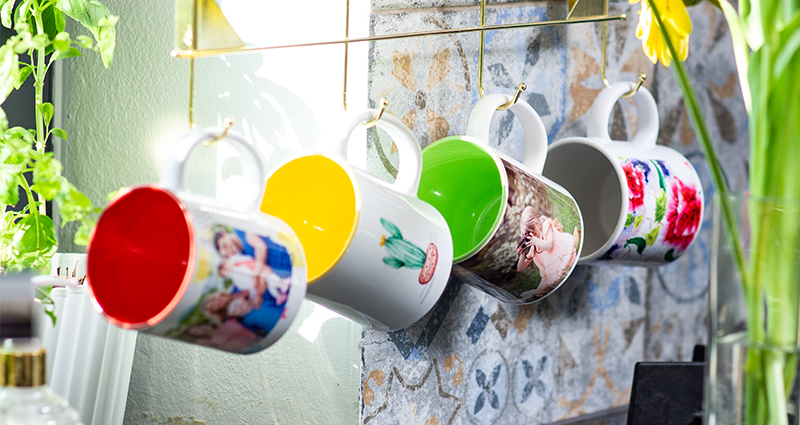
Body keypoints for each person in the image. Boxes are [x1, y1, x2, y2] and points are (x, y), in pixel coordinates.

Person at [212, 228, 294, 336]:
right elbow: (250, 283)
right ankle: (280, 293)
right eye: (226, 254)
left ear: (224, 234)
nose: (228, 251)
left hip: (287, 259)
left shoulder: (243, 233)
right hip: (281, 272)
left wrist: (256, 276)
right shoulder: (239, 256)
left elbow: (261, 248)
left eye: (225, 246)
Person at [515, 206, 577, 292]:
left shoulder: (546, 226)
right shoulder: (535, 247)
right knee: (536, 292)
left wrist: (535, 240)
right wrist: (522, 254)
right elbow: (520, 268)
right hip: (550, 273)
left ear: (535, 223)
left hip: (562, 257)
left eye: (531, 230)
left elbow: (549, 246)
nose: (531, 235)